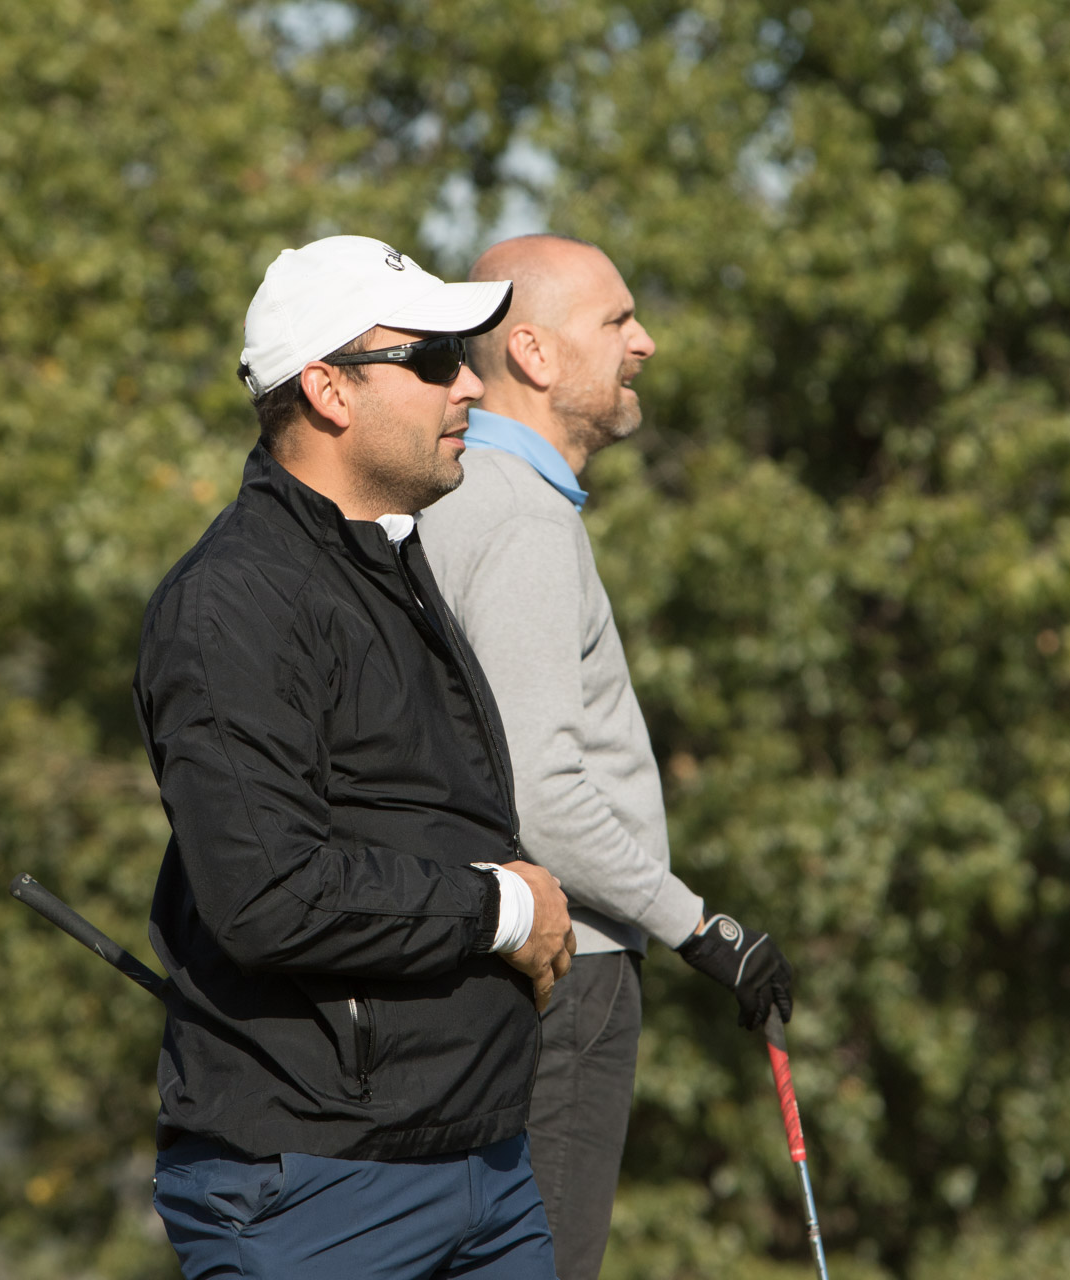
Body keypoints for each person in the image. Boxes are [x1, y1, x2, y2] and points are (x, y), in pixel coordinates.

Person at [131, 234, 579, 1279]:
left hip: (483, 1163)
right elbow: (268, 891)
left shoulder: (388, 560)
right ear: (328, 389)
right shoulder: (232, 603)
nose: (470, 384)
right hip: (317, 1185)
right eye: (432, 360)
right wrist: (503, 909)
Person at [419, 233, 798, 1280]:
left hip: (480, 960)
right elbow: (542, 795)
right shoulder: (523, 519)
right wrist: (703, 929)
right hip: (564, 970)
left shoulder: (448, 495)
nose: (646, 343)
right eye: (617, 320)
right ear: (534, 353)